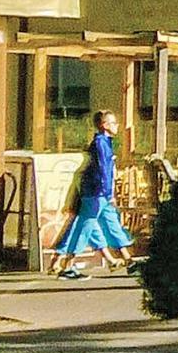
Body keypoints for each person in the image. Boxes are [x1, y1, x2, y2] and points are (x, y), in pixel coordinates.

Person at [50, 111, 137, 279]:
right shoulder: (100, 143)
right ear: (104, 125)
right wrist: (109, 193)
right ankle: (67, 265)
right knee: (85, 226)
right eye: (113, 123)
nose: (117, 126)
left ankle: (128, 260)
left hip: (99, 193)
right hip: (95, 193)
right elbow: (103, 169)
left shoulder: (105, 143)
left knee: (111, 223)